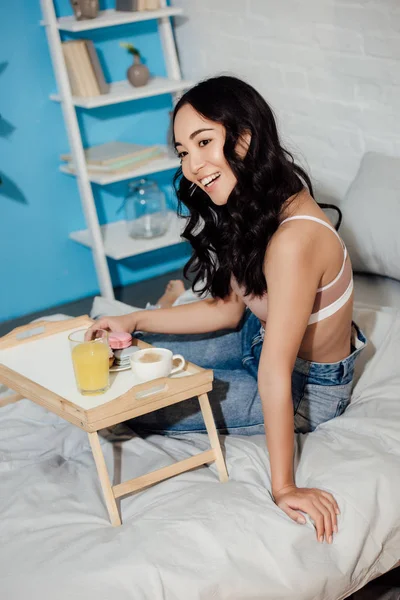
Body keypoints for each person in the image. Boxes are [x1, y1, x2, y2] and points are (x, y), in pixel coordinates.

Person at [86, 75, 367, 544]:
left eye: (203, 142)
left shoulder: (295, 238)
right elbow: (228, 312)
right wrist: (134, 318)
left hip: (304, 386)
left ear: (243, 137)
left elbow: (276, 372)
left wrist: (284, 487)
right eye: (182, 151)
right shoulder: (252, 201)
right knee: (134, 352)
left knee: (129, 404)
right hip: (254, 337)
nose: (192, 165)